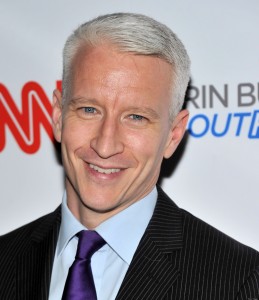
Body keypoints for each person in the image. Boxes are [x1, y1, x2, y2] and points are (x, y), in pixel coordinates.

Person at [0, 12, 258, 300]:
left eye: (135, 117)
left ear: (173, 135)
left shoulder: (238, 281)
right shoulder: (5, 259)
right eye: (89, 110)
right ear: (59, 116)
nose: (105, 145)